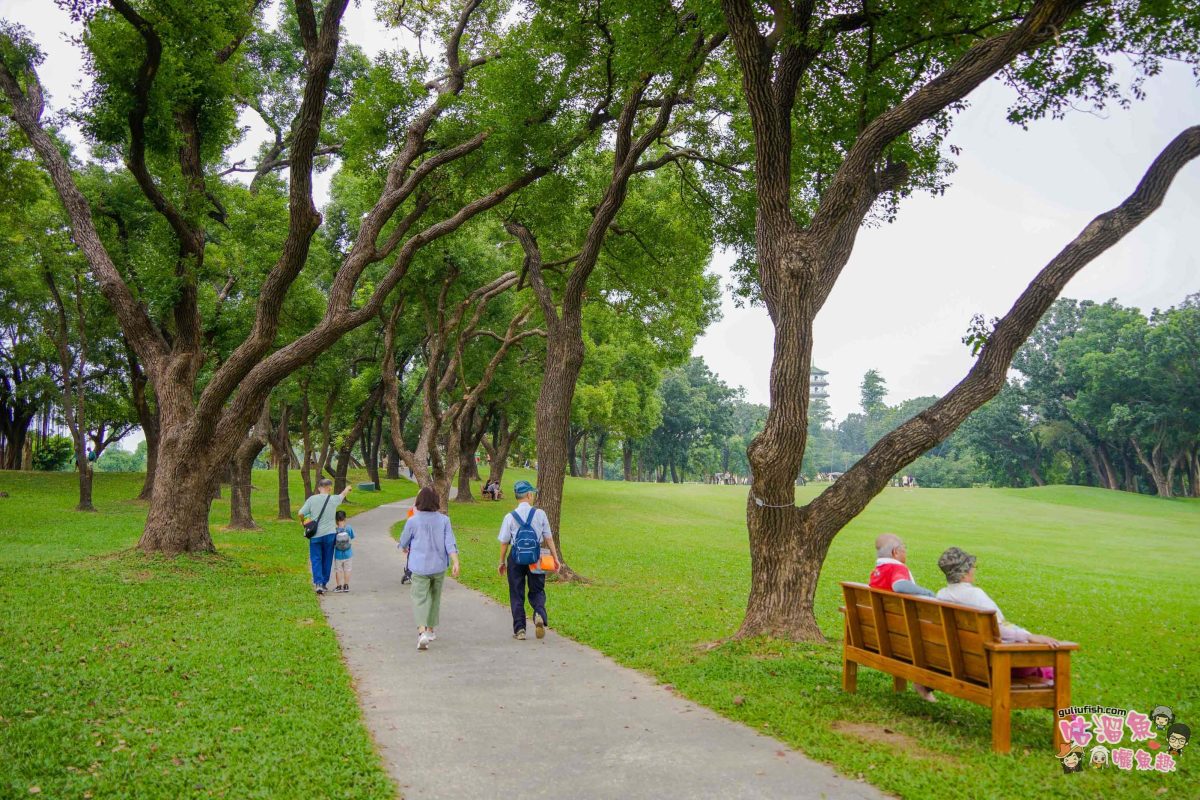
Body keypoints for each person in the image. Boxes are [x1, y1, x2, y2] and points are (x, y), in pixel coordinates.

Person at [935, 547, 1060, 681]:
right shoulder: (975, 595)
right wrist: (1029, 636)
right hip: (993, 662)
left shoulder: (941, 595)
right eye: (972, 566)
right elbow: (996, 629)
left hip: (967, 659)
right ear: (964, 574)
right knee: (1047, 667)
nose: (974, 569)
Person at [868, 533, 936, 702]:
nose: (906, 552)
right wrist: (927, 592)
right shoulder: (897, 568)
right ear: (895, 552)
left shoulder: (877, 571)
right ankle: (923, 683)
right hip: (903, 633)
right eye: (904, 549)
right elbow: (899, 585)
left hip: (885, 630)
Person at [497, 480, 561, 641]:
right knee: (537, 589)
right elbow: (549, 538)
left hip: (516, 558)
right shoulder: (540, 514)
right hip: (536, 557)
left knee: (516, 593)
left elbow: (504, 542)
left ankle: (520, 630)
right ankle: (539, 612)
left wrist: (501, 561)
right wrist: (555, 557)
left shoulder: (509, 517)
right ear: (529, 495)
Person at [399, 487, 460, 651]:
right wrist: (455, 562)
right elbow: (450, 543)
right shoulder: (444, 520)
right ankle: (431, 630)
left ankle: (422, 632)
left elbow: (404, 540)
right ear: (436, 501)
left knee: (419, 598)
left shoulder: (413, 520)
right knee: (435, 597)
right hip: (439, 566)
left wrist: (404, 547)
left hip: (419, 567)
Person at [298, 478, 352, 595]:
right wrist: (348, 488)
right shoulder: (333, 499)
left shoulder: (312, 499)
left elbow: (300, 513)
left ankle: (318, 583)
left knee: (316, 558)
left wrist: (303, 522)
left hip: (315, 535)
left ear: (319, 488)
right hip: (330, 535)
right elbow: (342, 495)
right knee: (327, 559)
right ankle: (324, 583)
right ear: (330, 488)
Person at [332, 510, 355, 593]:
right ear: (345, 518)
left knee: (338, 570)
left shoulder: (334, 529)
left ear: (336, 520)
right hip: (348, 553)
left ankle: (338, 586)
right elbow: (352, 537)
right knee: (347, 569)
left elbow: (333, 541)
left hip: (338, 554)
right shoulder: (348, 527)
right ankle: (346, 586)